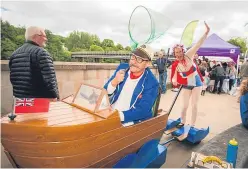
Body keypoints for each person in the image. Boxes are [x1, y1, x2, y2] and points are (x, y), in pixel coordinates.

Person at [104, 45, 159, 126]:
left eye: (139, 59)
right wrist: (114, 82)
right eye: (133, 57)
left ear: (148, 64)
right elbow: (105, 90)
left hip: (130, 120)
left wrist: (117, 116)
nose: (134, 62)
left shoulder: (152, 83)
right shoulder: (122, 68)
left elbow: (142, 110)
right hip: (110, 112)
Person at [170, 21, 210, 127]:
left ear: (183, 51)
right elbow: (174, 78)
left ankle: (192, 125)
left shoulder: (188, 55)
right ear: (174, 53)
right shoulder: (176, 65)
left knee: (194, 105)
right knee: (184, 106)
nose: (178, 54)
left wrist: (206, 33)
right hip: (186, 83)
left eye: (180, 52)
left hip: (196, 82)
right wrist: (174, 81)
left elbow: (198, 44)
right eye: (176, 53)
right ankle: (182, 122)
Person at [9, 26, 59, 100]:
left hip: (20, 102)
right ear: (36, 36)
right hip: (38, 103)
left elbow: (13, 79)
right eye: (44, 36)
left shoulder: (14, 54)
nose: (46, 39)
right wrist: (56, 97)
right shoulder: (41, 53)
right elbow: (50, 81)